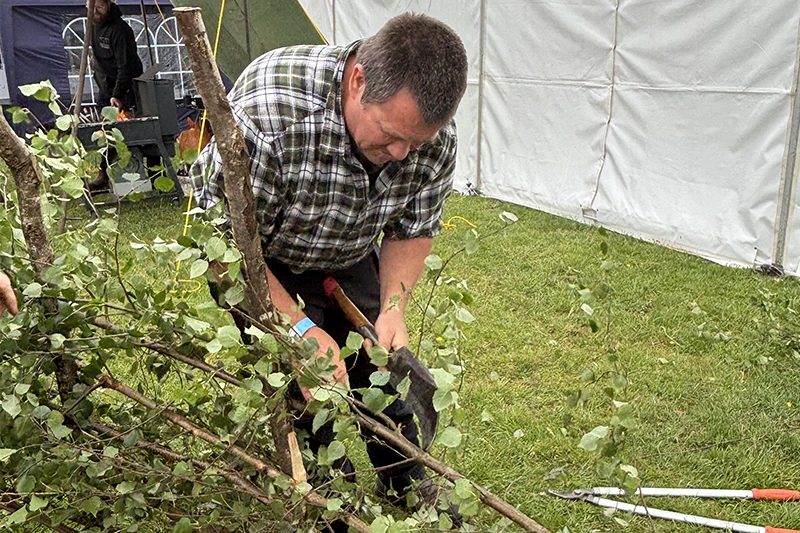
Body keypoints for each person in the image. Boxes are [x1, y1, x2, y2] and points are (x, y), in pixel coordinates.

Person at [190, 12, 468, 523]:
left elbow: (414, 227)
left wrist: (393, 307)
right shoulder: (272, 114)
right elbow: (219, 246)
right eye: (389, 135)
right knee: (308, 389)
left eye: (416, 141)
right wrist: (297, 327)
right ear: (358, 79)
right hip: (260, 258)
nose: (401, 154)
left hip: (347, 250)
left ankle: (406, 482)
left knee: (384, 376)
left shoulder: (427, 138)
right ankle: (331, 503)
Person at [88, 0, 143, 112]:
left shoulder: (120, 30)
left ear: (108, 5)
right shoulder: (93, 25)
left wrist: (117, 94)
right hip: (105, 87)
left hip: (125, 89)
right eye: (91, 7)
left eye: (100, 7)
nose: (95, 11)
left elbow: (126, 65)